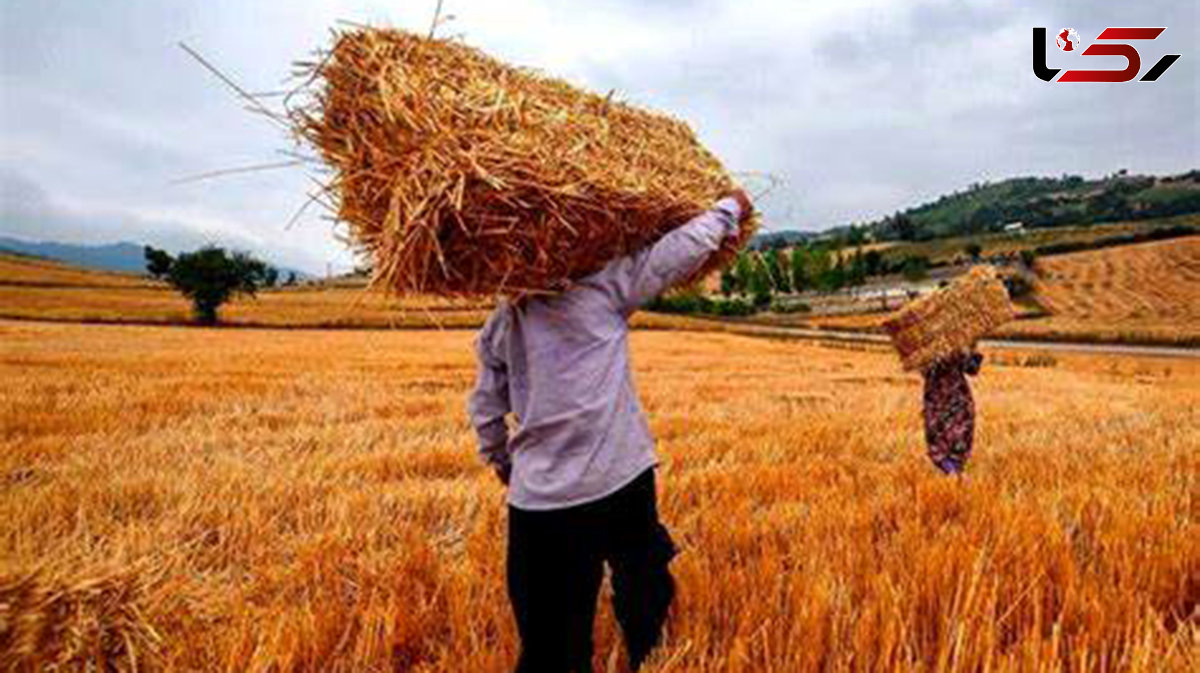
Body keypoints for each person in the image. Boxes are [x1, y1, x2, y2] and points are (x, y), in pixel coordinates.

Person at [467, 191, 753, 673]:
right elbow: (677, 251)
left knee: (549, 640)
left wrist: (502, 461)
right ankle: (648, 655)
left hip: (541, 501)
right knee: (643, 585)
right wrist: (729, 209)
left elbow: (485, 408)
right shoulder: (604, 287)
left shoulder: (504, 318)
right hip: (620, 477)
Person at [921, 350, 983, 475]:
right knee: (945, 432)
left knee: (948, 432)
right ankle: (952, 471)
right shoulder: (929, 346)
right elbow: (972, 369)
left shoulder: (956, 343)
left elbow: (972, 369)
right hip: (945, 395)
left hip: (948, 395)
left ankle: (952, 471)